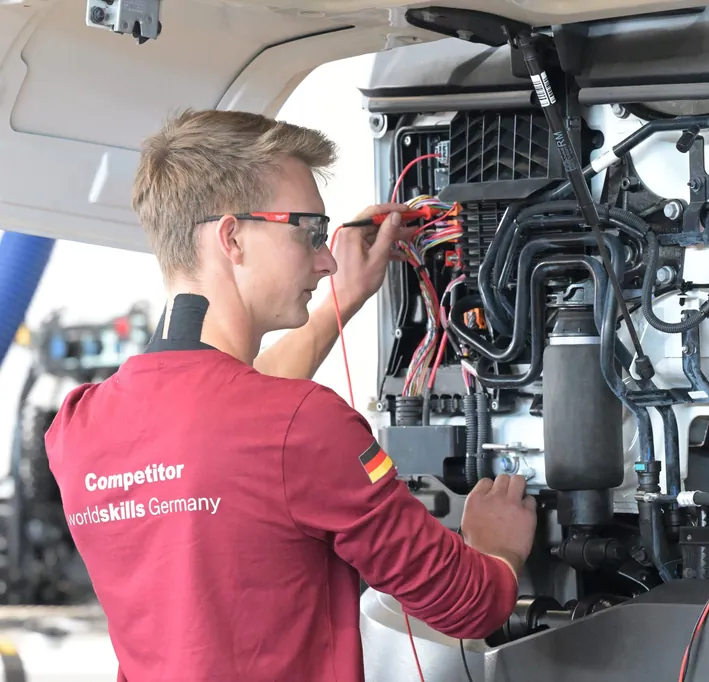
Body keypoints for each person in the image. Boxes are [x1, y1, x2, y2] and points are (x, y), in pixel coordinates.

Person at [44, 109, 537, 682]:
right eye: (308, 231)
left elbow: (224, 417)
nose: (326, 259)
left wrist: (343, 300)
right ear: (232, 237)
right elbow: (467, 603)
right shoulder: (301, 423)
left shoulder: (77, 427)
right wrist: (497, 550)